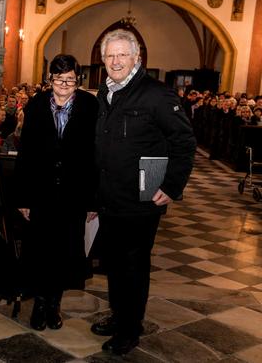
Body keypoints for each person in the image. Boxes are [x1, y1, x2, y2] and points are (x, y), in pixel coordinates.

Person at [93, 29, 196, 355]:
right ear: (102, 60)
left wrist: (171, 185)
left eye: (123, 54)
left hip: (141, 196)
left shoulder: (156, 94)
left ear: (137, 58)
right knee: (113, 263)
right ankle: (119, 315)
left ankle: (129, 329)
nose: (116, 61)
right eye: (110, 55)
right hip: (109, 196)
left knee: (133, 265)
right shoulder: (104, 92)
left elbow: (184, 141)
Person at [14, 54, 98, 331]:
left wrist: (93, 200)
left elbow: (96, 156)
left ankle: (54, 304)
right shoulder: (37, 105)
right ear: (49, 79)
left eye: (70, 79)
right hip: (40, 193)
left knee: (64, 252)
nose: (64, 84)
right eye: (59, 79)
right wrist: (23, 197)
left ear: (78, 80)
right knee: (40, 251)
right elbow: (25, 154)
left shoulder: (89, 106)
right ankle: (39, 303)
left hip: (74, 194)